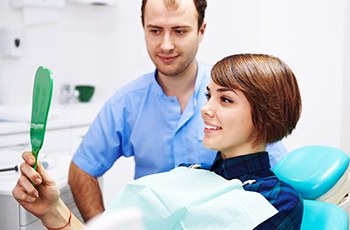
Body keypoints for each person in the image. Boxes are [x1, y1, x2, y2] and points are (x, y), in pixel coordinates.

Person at [12, 53, 303, 229]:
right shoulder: (193, 176)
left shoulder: (277, 201)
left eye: (225, 99)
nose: (206, 108)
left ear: (266, 115)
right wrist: (54, 211)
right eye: (208, 95)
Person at [68, 0, 288, 222]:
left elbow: (274, 169)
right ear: (143, 29)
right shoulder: (126, 102)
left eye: (179, 31)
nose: (166, 45)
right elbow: (82, 169)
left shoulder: (234, 92)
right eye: (155, 30)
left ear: (201, 31)